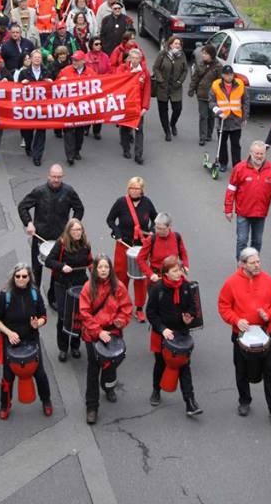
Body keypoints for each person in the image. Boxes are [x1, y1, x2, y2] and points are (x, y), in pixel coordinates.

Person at [217, 247, 271, 422]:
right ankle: (244, 401)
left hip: (265, 333)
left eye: (258, 261)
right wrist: (236, 320)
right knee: (241, 371)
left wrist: (269, 314)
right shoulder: (231, 283)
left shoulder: (269, 281)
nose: (257, 265)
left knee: (270, 371)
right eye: (253, 262)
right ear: (242, 264)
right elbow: (223, 306)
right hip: (241, 335)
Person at [0, 262, 53, 420]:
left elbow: (43, 316)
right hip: (10, 341)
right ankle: (4, 405)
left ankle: (46, 401)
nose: (20, 279)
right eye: (17, 276)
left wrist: (37, 323)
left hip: (31, 339)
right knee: (8, 376)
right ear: (13, 277)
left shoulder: (34, 294)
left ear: (29, 277)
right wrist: (9, 333)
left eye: (24, 276)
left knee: (40, 374)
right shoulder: (5, 296)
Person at [17, 164, 85, 306]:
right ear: (48, 176)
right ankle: (35, 298)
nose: (56, 179)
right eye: (53, 176)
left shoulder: (69, 191)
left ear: (62, 176)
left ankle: (53, 298)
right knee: (37, 269)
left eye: (59, 177)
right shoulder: (39, 191)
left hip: (60, 239)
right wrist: (29, 223)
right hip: (40, 237)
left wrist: (72, 226)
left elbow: (79, 208)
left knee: (58, 270)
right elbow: (22, 206)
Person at [79, 254, 132, 424]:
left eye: (106, 267)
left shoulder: (119, 287)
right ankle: (92, 407)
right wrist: (98, 332)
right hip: (93, 335)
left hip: (113, 332)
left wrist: (120, 322)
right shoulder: (88, 288)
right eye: (100, 267)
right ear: (94, 269)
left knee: (111, 364)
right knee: (93, 370)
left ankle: (109, 388)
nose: (103, 270)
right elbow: (84, 313)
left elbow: (126, 308)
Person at [146, 255, 202, 415]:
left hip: (181, 334)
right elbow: (150, 312)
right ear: (166, 273)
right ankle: (156, 390)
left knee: (185, 367)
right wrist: (162, 329)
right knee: (160, 364)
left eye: (180, 270)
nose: (179, 273)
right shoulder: (157, 288)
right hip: (161, 334)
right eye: (175, 271)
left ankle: (190, 402)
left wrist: (188, 317)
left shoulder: (187, 286)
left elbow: (193, 308)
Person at [225, 140, 271, 259]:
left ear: (265, 154)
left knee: (257, 242)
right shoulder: (239, 168)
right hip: (243, 212)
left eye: (261, 154)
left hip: (260, 214)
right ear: (250, 153)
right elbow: (231, 190)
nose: (259, 156)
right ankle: (241, 268)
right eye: (256, 153)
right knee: (242, 241)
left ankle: (253, 265)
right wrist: (228, 209)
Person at [106, 177, 157, 323]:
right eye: (131, 188)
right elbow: (110, 220)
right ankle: (120, 305)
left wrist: (152, 230)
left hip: (142, 247)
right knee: (121, 276)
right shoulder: (121, 202)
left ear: (142, 190)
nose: (134, 191)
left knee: (141, 279)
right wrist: (116, 232)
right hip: (124, 244)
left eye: (137, 188)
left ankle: (139, 308)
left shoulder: (147, 203)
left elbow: (155, 218)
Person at [45, 218, 92, 361]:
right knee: (63, 316)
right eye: (75, 230)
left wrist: (94, 268)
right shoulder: (61, 244)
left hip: (80, 285)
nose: (78, 233)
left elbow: (90, 262)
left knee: (78, 316)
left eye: (80, 230)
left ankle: (75, 346)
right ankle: (63, 348)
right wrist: (61, 266)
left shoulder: (85, 244)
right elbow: (49, 261)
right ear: (69, 231)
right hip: (63, 284)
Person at [56, 50, 94, 165]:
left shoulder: (91, 73)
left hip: (83, 108)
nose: (74, 62)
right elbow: (55, 87)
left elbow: (98, 86)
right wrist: (59, 82)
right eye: (73, 60)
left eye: (77, 60)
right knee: (68, 132)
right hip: (69, 107)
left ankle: (77, 150)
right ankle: (70, 155)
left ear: (83, 61)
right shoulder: (65, 71)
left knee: (79, 132)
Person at [209, 65, 249, 172]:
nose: (229, 76)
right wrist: (217, 111)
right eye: (227, 74)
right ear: (222, 75)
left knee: (236, 144)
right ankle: (223, 163)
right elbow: (211, 101)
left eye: (231, 74)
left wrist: (245, 117)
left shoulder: (240, 84)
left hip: (236, 119)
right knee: (222, 143)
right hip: (222, 119)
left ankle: (237, 165)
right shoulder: (216, 85)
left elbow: (245, 101)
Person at [18, 48, 51, 165]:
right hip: (28, 109)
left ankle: (37, 156)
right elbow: (16, 90)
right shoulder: (23, 73)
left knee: (41, 132)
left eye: (39, 57)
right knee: (28, 132)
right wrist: (22, 84)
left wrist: (51, 82)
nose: (37, 59)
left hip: (42, 108)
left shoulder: (46, 71)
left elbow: (53, 88)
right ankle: (28, 146)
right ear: (31, 59)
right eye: (35, 57)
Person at [151, 36, 187, 141]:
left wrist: (180, 81)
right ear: (170, 44)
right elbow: (156, 68)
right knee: (163, 110)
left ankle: (172, 124)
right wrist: (160, 80)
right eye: (176, 43)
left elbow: (185, 70)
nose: (178, 45)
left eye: (179, 44)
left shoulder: (182, 55)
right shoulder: (162, 54)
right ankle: (167, 130)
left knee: (178, 109)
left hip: (176, 87)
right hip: (163, 87)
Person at [119, 46, 151, 164]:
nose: (134, 60)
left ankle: (138, 154)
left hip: (138, 106)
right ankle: (126, 149)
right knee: (125, 128)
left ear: (140, 59)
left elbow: (147, 91)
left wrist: (145, 107)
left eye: (137, 58)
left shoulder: (144, 73)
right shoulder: (123, 69)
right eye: (132, 57)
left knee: (139, 130)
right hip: (125, 104)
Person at [138, 212, 190, 283]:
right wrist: (151, 274)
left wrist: (185, 265)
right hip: (157, 278)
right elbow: (140, 259)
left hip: (173, 277)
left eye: (161, 228)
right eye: (156, 227)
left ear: (169, 226)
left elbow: (183, 253)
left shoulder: (177, 237)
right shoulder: (150, 240)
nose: (157, 231)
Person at [188, 43, 222, 146]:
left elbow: (221, 82)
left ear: (211, 54)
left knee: (211, 116)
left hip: (213, 96)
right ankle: (202, 137)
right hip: (201, 94)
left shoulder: (218, 66)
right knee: (203, 116)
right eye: (203, 53)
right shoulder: (200, 64)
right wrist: (191, 89)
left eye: (205, 53)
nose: (203, 55)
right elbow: (195, 78)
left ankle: (209, 134)